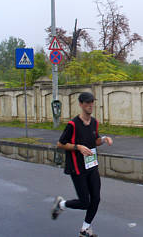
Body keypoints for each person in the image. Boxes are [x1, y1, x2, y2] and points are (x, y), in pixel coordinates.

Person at [51, 92, 113, 237]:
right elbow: (60, 144)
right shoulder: (73, 124)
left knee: (96, 199)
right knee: (85, 202)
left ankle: (85, 229)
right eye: (87, 103)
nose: (90, 105)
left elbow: (95, 140)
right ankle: (60, 205)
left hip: (92, 166)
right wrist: (77, 147)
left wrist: (104, 139)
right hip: (77, 167)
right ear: (80, 104)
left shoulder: (94, 122)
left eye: (92, 102)